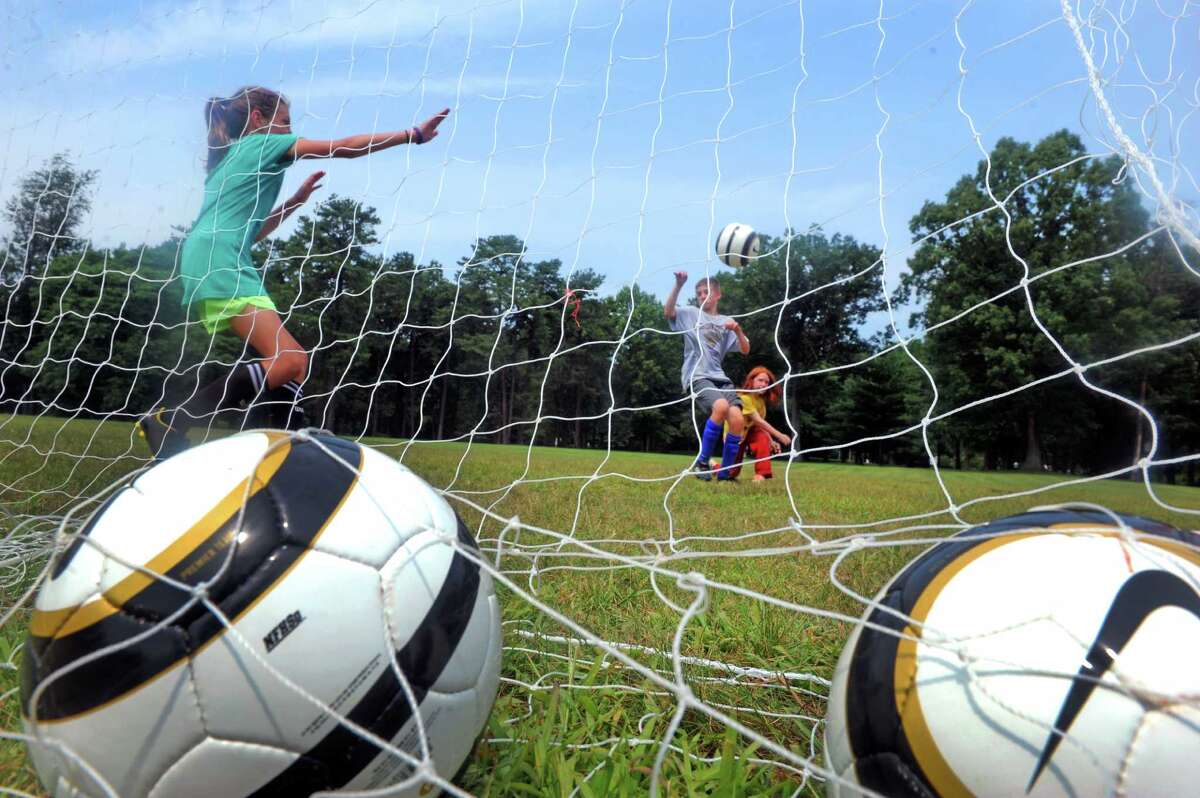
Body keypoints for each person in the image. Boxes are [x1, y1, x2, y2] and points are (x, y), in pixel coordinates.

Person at [139, 86, 449, 459]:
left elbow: (253, 230)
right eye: (285, 122)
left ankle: (288, 442)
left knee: (291, 367)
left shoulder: (231, 159)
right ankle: (173, 420)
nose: (289, 130)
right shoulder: (260, 144)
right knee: (291, 359)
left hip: (215, 256)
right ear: (258, 120)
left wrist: (294, 203)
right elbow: (345, 146)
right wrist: (412, 135)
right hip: (219, 260)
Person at [664, 272, 749, 481]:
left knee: (737, 420)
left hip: (720, 377)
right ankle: (702, 463)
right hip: (697, 375)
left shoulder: (725, 321)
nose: (702, 296)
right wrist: (678, 284)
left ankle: (725, 474)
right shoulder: (691, 314)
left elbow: (746, 349)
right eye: (699, 293)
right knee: (720, 407)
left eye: (707, 292)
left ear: (718, 295)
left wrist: (737, 330)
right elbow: (668, 312)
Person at [724, 366, 791, 481]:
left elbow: (759, 426)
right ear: (751, 381)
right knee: (731, 473)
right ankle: (714, 466)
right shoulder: (744, 398)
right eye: (760, 380)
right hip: (735, 436)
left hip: (749, 431)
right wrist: (779, 435)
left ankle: (761, 474)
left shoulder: (761, 403)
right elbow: (758, 420)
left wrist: (771, 441)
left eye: (767, 382)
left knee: (761, 435)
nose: (764, 384)